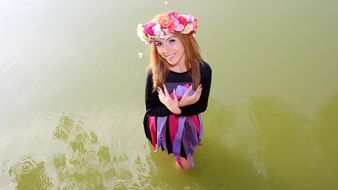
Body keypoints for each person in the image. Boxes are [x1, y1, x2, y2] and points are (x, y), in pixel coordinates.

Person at [137, 11, 212, 170]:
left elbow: (201, 106)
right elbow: (151, 109)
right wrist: (175, 108)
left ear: (186, 40)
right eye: (159, 44)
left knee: (189, 154)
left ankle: (190, 141)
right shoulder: (154, 72)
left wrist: (179, 108)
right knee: (184, 166)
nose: (166, 50)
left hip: (188, 120)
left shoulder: (203, 70)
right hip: (162, 122)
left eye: (172, 40)